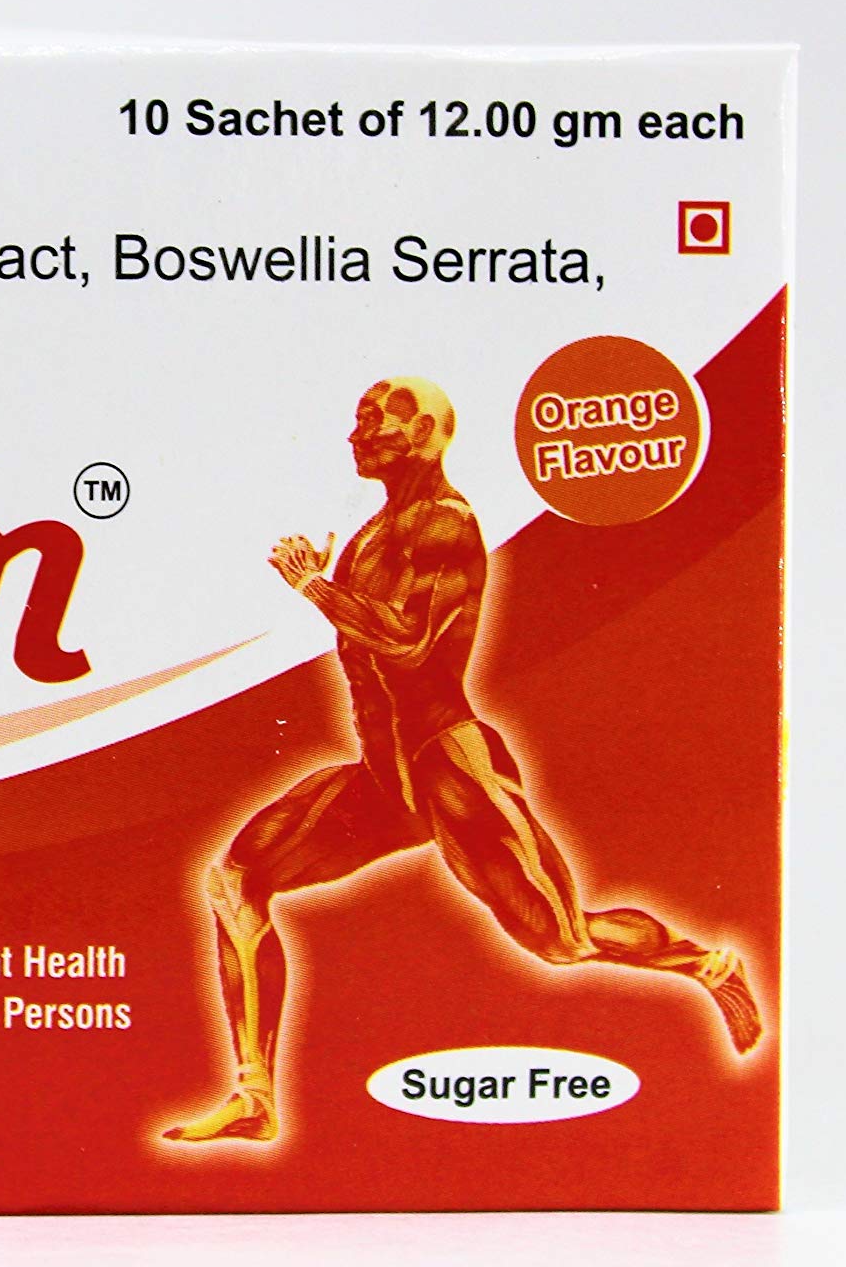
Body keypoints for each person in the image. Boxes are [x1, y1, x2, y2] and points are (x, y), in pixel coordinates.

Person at [164, 377, 762, 1145]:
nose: (356, 435)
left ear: (425, 433)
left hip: (448, 764)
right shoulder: (373, 532)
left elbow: (410, 641)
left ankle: (709, 965)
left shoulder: (446, 523)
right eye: (357, 420)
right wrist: (329, 578)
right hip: (383, 776)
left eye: (373, 421)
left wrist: (315, 586)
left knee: (564, 940)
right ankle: (255, 1096)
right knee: (236, 878)